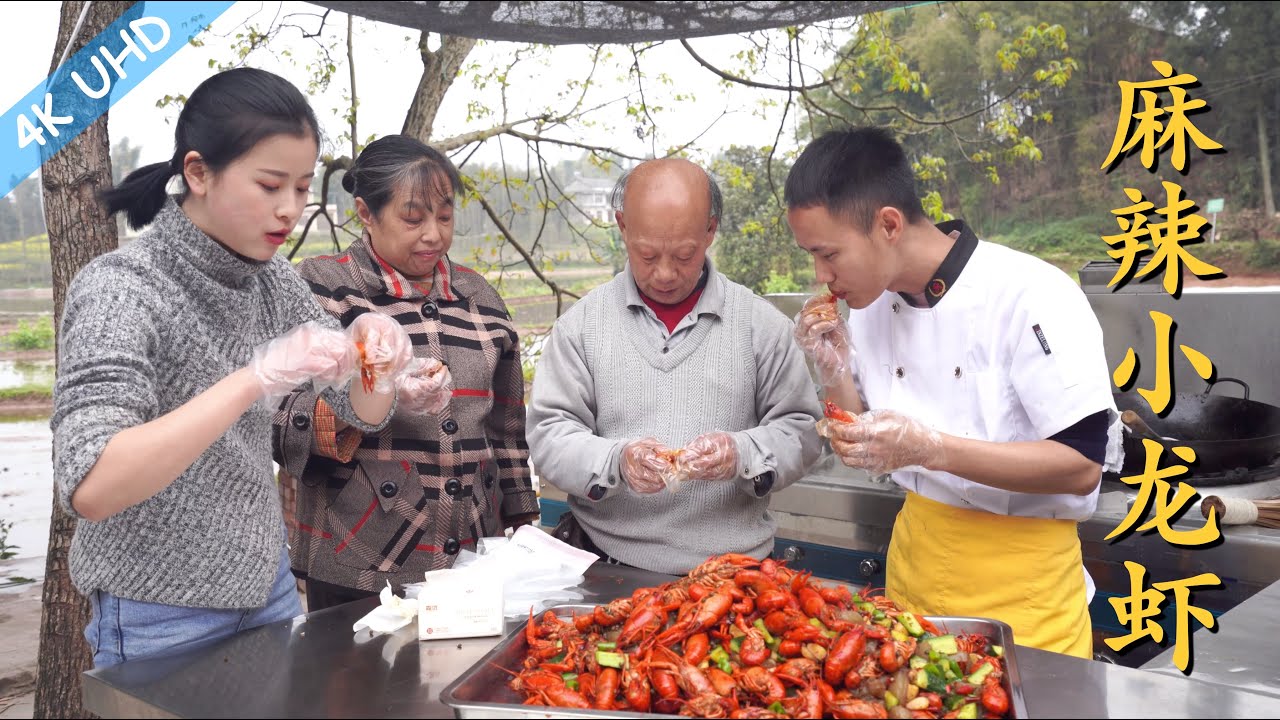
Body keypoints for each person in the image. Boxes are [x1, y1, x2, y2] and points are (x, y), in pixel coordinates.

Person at [51, 67, 413, 669]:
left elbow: (362, 411)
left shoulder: (268, 279)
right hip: (156, 610)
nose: (289, 209)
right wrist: (256, 378)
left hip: (266, 590)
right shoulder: (123, 288)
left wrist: (376, 356)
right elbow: (92, 485)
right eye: (271, 185)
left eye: (301, 188)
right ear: (197, 172)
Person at [786, 126, 1122, 659]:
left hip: (1022, 588)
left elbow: (1082, 462)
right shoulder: (869, 303)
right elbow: (859, 443)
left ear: (888, 224)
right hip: (914, 562)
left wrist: (930, 448)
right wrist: (833, 366)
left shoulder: (1031, 295)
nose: (822, 275)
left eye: (828, 254)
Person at [273, 135, 540, 611]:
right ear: (365, 213)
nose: (433, 235)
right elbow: (280, 418)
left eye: (444, 215)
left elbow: (507, 429)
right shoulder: (323, 289)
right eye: (412, 218)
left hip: (472, 555)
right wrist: (379, 396)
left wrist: (522, 522)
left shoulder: (481, 299)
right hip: (357, 556)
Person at [526, 158, 823, 574]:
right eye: (646, 255)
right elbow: (548, 434)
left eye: (685, 255)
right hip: (608, 561)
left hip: (735, 569)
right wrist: (616, 461)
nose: (665, 274)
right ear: (622, 226)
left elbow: (803, 432)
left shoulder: (761, 325)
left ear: (710, 231)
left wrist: (742, 454)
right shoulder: (581, 327)